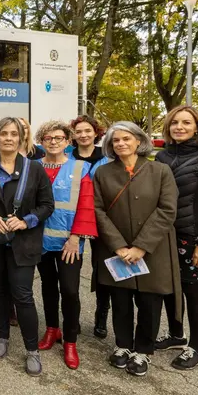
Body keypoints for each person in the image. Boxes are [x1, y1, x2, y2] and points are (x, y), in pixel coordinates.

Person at [92, 121, 181, 377]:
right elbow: (97, 210)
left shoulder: (160, 170)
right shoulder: (103, 173)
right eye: (115, 140)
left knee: (149, 302)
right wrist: (118, 245)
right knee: (120, 300)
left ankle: (143, 350)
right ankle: (122, 345)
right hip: (116, 250)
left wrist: (141, 246)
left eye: (126, 139)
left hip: (153, 250)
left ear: (139, 141)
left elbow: (167, 210)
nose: (120, 143)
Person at [0, 117, 54, 376]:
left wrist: (26, 221)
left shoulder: (34, 169)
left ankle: (32, 350)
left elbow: (47, 205)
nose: (8, 138)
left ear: (21, 138)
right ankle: (2, 337)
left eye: (13, 134)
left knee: (23, 295)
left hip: (23, 243)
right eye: (4, 133)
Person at [154, 106, 198, 370]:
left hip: (193, 238)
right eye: (175, 122)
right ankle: (176, 335)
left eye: (186, 122)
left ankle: (196, 347)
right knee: (168, 288)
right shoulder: (162, 156)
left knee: (193, 290)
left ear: (197, 127)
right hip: (164, 234)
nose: (179, 127)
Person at [33, 120, 97, 370]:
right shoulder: (34, 167)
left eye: (59, 138)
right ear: (41, 142)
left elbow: (86, 205)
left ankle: (70, 341)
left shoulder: (80, 168)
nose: (53, 142)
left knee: (70, 291)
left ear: (68, 141)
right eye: (48, 138)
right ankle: (52, 330)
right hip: (40, 241)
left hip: (69, 243)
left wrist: (76, 237)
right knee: (48, 287)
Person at [69, 114, 111, 339]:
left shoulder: (108, 157)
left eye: (88, 131)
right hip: (72, 220)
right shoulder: (67, 156)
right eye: (79, 131)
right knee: (71, 273)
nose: (83, 135)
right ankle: (71, 319)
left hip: (101, 220)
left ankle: (101, 315)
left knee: (102, 270)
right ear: (73, 135)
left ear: (96, 133)